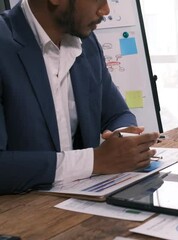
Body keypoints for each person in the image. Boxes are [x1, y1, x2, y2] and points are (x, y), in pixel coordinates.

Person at [0, 0, 159, 194]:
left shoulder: (87, 42)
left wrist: (123, 135)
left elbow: (116, 113)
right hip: (19, 215)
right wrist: (96, 161)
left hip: (82, 208)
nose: (106, 10)